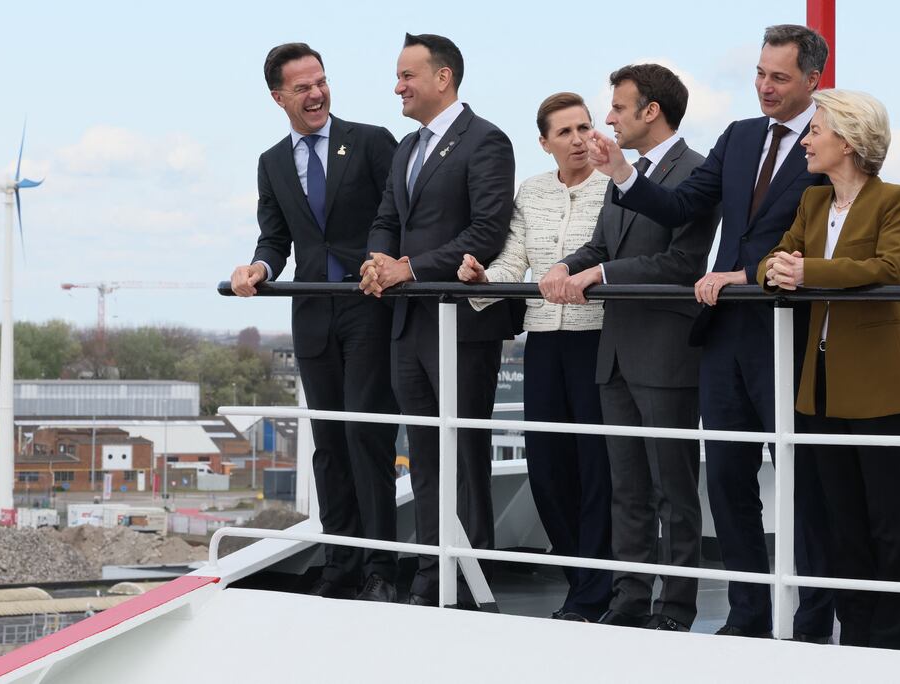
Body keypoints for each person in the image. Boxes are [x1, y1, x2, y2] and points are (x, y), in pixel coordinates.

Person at [586, 25, 834, 640]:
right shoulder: (740, 136)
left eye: (779, 77)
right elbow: (681, 206)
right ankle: (748, 616)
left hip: (792, 332)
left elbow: (828, 239)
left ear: (812, 80)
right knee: (725, 479)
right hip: (724, 334)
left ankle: (812, 621)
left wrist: (746, 274)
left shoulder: (833, 142)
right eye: (760, 73)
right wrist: (623, 174)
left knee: (804, 483)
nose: (764, 87)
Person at [540, 64, 720, 632]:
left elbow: (682, 262)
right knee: (627, 489)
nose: (609, 118)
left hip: (666, 353)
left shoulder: (696, 171)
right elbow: (601, 245)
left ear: (651, 111)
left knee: (674, 491)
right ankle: (629, 600)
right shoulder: (623, 173)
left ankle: (675, 609)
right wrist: (566, 265)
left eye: (618, 107)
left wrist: (598, 275)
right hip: (615, 352)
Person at [230, 43, 400, 602]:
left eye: (321, 81)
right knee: (328, 443)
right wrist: (258, 268)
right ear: (278, 97)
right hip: (312, 315)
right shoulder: (272, 162)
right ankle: (341, 562)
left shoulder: (371, 141)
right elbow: (275, 237)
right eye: (302, 87)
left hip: (368, 307)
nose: (316, 93)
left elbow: (396, 216)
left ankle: (381, 569)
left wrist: (383, 261)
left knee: (366, 435)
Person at [759, 89, 900, 650]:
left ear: (849, 141)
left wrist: (806, 271)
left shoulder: (897, 199)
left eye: (816, 131)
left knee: (889, 528)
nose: (806, 141)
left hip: (884, 390)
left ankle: (891, 647)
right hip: (821, 389)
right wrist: (776, 271)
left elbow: (888, 268)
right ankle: (854, 643)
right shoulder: (812, 203)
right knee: (842, 525)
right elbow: (771, 260)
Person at [360, 33, 518, 607]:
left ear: (443, 78)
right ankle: (432, 576)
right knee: (425, 457)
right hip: (409, 326)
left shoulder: (486, 141)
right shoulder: (407, 147)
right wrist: (376, 262)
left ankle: (473, 583)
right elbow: (387, 219)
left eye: (407, 76)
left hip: (461, 326)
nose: (397, 87)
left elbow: (487, 231)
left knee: (465, 457)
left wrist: (409, 268)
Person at [457, 92, 613, 622]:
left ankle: (594, 592)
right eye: (565, 132)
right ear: (545, 143)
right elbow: (514, 260)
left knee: (597, 469)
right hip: (543, 341)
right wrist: (483, 279)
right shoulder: (532, 191)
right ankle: (581, 581)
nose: (578, 140)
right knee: (547, 469)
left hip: (598, 338)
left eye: (584, 128)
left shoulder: (615, 186)